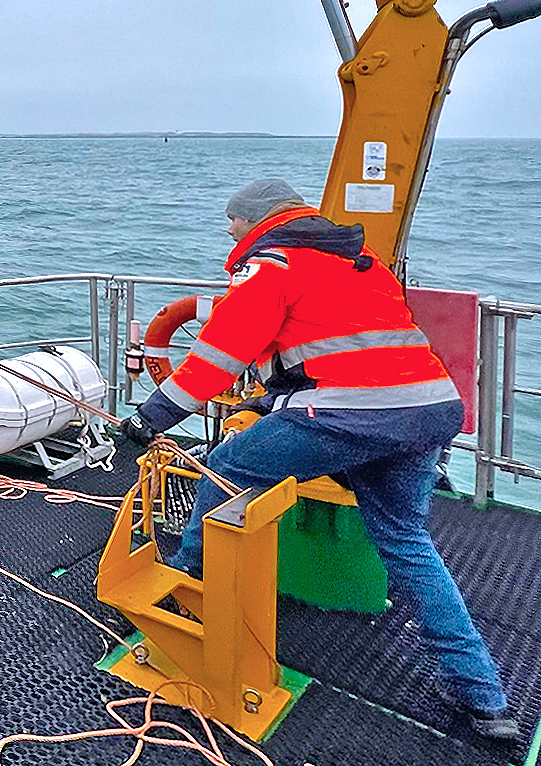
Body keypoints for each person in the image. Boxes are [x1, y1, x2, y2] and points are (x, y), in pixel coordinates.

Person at [117, 178, 520, 743]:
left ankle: (185, 585)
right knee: (407, 544)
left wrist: (149, 419)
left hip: (348, 416)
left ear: (256, 218)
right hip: (427, 409)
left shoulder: (272, 265)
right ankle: (486, 700)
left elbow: (217, 354)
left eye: (232, 221)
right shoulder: (362, 264)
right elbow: (354, 350)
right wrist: (274, 397)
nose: (229, 231)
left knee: (225, 467)